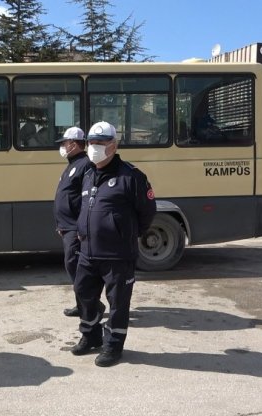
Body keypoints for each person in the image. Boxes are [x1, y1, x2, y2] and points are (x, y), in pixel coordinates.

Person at [70, 121, 156, 367]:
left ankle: (113, 346)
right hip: (87, 251)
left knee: (118, 303)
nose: (94, 147)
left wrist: (128, 235)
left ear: (113, 145)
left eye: (100, 143)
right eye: (91, 143)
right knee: (83, 293)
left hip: (117, 255)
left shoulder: (131, 176)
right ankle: (91, 336)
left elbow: (147, 211)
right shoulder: (88, 174)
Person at [53, 126, 93, 317]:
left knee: (76, 265)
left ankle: (90, 305)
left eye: (65, 143)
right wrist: (61, 224)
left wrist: (79, 226)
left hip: (75, 228)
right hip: (67, 226)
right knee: (72, 266)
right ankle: (82, 303)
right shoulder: (72, 163)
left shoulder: (85, 164)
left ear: (75, 144)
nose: (62, 146)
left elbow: (85, 200)